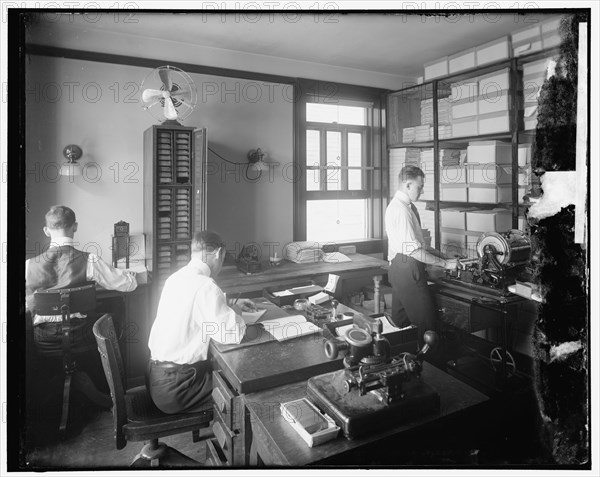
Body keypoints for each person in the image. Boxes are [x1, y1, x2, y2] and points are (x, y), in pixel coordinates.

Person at [147, 230, 258, 414]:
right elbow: (232, 334)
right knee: (245, 390)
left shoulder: (175, 278)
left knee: (224, 375)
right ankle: (232, 441)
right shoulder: (205, 285)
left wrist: (230, 305)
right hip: (179, 388)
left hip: (157, 379)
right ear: (219, 253)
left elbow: (191, 309)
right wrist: (235, 313)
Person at [25, 205, 138, 343]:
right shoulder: (90, 260)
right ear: (75, 227)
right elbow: (129, 285)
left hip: (43, 338)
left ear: (46, 231)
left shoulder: (28, 265)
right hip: (80, 335)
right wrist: (130, 276)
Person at [385, 166, 458, 336]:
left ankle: (405, 359)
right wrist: (446, 264)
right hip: (407, 270)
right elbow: (415, 251)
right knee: (428, 325)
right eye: (420, 186)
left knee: (401, 322)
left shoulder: (404, 207)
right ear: (408, 185)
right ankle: (425, 361)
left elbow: (420, 246)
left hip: (399, 269)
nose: (422, 191)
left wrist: (444, 256)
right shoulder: (402, 211)